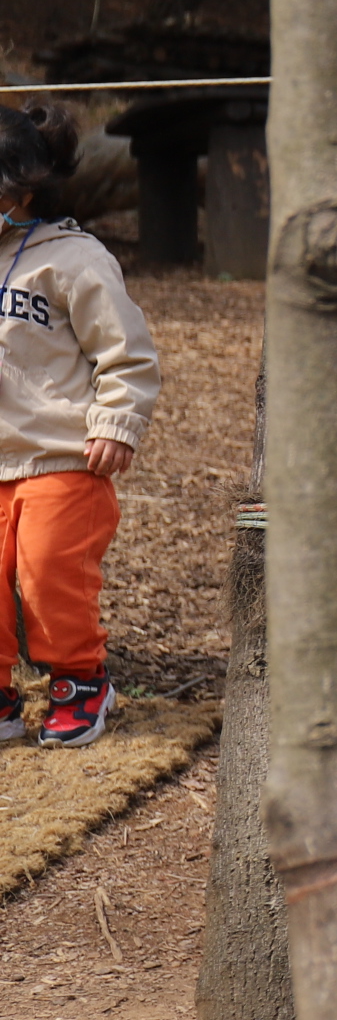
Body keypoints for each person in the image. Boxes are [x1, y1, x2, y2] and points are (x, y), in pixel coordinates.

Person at [0, 102, 159, 750]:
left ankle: (79, 679)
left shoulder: (74, 259)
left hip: (59, 459)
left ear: (23, 188)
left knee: (46, 575)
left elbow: (126, 349)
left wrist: (117, 420)